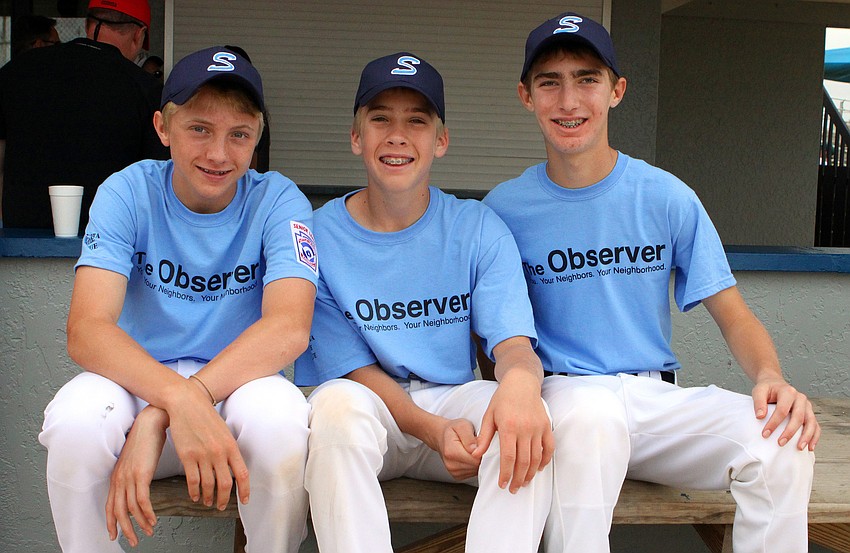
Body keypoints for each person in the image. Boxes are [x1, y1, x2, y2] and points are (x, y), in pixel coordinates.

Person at [482, 13, 819, 553]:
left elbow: (733, 314)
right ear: (526, 96)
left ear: (616, 91)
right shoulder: (502, 210)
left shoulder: (665, 196)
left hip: (653, 399)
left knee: (782, 442)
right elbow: (491, 333)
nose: (569, 101)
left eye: (587, 79)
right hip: (567, 399)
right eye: (550, 82)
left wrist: (770, 376)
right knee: (592, 418)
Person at [38, 46, 318, 553]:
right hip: (138, 380)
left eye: (239, 134)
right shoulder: (127, 191)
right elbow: (87, 329)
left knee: (281, 424)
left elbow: (290, 327)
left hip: (237, 387)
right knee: (74, 425)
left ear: (257, 137)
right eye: (199, 129)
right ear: (163, 128)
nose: (219, 154)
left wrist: (174, 406)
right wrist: (174, 398)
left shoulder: (278, 198)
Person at [294, 52, 553, 553]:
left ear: (441, 140)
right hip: (369, 407)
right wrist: (430, 430)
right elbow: (351, 371)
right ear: (356, 137)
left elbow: (513, 345)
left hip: (452, 399)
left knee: (526, 422)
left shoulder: (477, 226)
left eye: (416, 121)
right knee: (335, 411)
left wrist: (523, 386)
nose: (397, 136)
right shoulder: (316, 235)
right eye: (380, 119)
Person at [0, 0, 167, 233]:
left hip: (19, 237)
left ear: (89, 25)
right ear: (138, 35)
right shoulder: (146, 89)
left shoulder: (16, 71)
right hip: (111, 238)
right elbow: (159, 176)